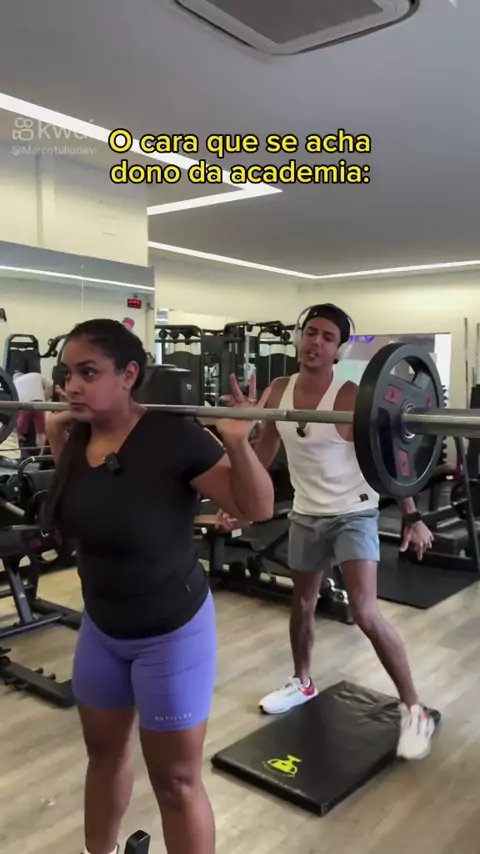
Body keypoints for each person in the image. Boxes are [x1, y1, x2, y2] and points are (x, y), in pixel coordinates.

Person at [43, 318, 274, 854]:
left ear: (129, 375)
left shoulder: (175, 436)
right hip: (102, 630)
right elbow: (92, 508)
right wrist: (57, 433)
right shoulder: (73, 436)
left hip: (171, 634)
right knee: (103, 758)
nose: (72, 386)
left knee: (176, 780)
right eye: (68, 374)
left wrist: (237, 441)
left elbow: (257, 507)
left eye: (88, 373)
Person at [216, 303, 436, 761]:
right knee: (302, 604)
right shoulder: (279, 389)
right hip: (306, 512)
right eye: (311, 332)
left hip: (354, 512)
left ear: (339, 349)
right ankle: (303, 681)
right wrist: (238, 502)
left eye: (327, 337)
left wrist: (412, 516)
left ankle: (413, 708)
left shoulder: (350, 396)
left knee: (366, 612)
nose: (315, 342)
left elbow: (388, 459)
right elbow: (266, 449)